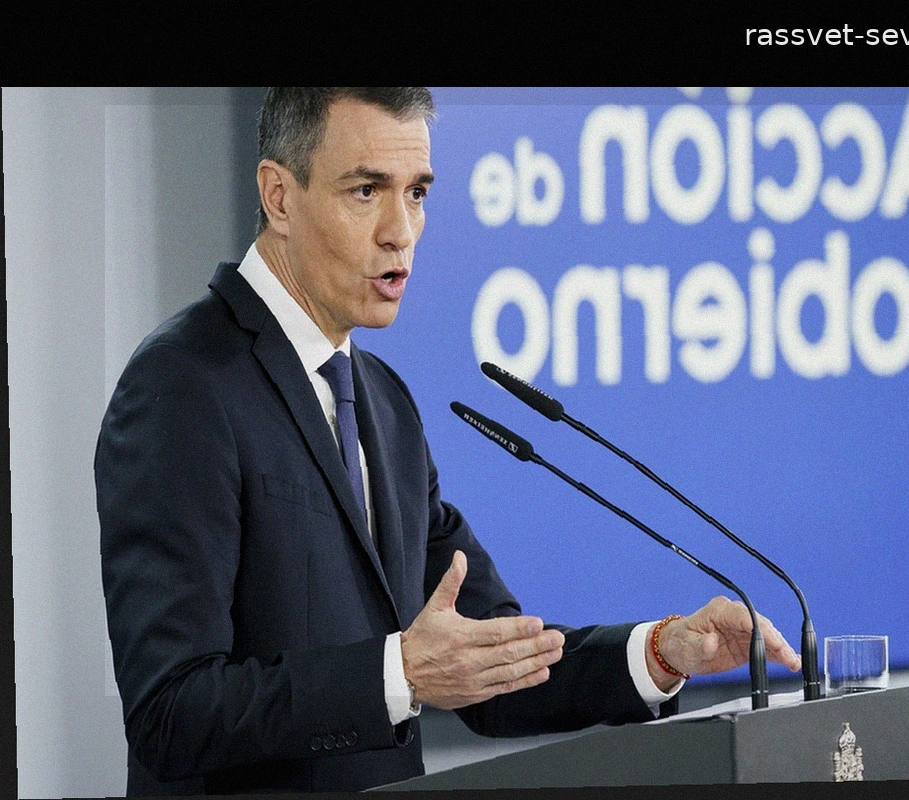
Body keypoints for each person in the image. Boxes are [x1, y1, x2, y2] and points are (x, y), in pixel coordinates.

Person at [96, 87, 801, 795]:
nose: (400, 231)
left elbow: (496, 661)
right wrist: (399, 675)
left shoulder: (383, 401)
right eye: (367, 190)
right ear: (279, 197)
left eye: (417, 193)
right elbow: (170, 712)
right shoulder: (183, 385)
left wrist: (662, 651)